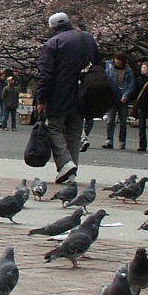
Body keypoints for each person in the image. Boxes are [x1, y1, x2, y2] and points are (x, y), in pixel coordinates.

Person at [35, 12, 100, 183]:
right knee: (74, 133)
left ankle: (65, 163)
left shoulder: (53, 44)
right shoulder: (88, 39)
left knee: (54, 128)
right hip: (83, 95)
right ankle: (71, 173)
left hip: (59, 95)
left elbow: (46, 75)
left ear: (52, 28)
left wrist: (41, 99)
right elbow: (98, 64)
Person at [100, 52, 136, 149]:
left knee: (123, 122)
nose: (117, 62)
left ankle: (122, 141)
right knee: (110, 120)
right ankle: (109, 140)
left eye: (120, 60)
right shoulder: (110, 69)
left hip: (123, 98)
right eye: (116, 59)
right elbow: (107, 81)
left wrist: (125, 95)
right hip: (113, 97)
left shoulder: (129, 71)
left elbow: (131, 85)